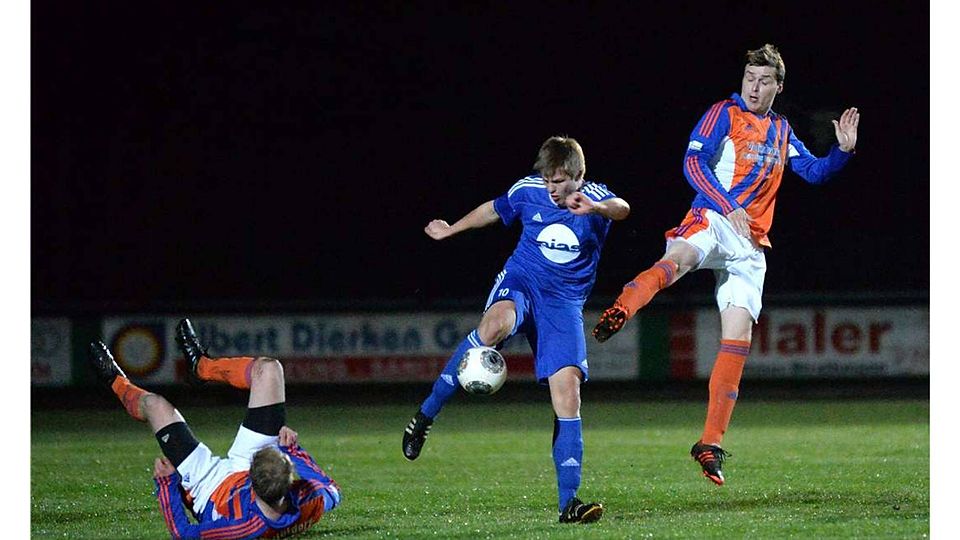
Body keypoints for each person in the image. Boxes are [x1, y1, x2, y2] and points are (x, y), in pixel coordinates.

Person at [592, 44, 860, 486]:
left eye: (764, 80)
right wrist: (726, 203)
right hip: (715, 218)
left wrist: (842, 153)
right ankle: (624, 305)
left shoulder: (781, 129)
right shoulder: (723, 113)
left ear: (778, 86)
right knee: (675, 261)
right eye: (750, 78)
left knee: (737, 341)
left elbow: (813, 172)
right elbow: (692, 163)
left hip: (752, 246)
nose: (754, 87)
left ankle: (710, 443)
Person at [401, 135, 630, 524]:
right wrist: (451, 229)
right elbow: (493, 209)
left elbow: (623, 209)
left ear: (578, 175)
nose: (552, 189)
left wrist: (596, 207)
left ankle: (568, 503)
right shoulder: (530, 191)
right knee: (492, 327)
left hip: (563, 303)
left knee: (568, 393)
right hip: (523, 282)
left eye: (559, 181)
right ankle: (424, 417)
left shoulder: (595, 199)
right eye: (548, 181)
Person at [88, 318, 341, 538]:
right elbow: (331, 490)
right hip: (255, 476)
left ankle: (115, 381)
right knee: (269, 370)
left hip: (207, 487)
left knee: (155, 405)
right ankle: (201, 367)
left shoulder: (242, 527)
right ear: (291, 483)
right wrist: (293, 449)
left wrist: (166, 486)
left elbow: (184, 534)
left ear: (251, 482)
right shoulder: (310, 501)